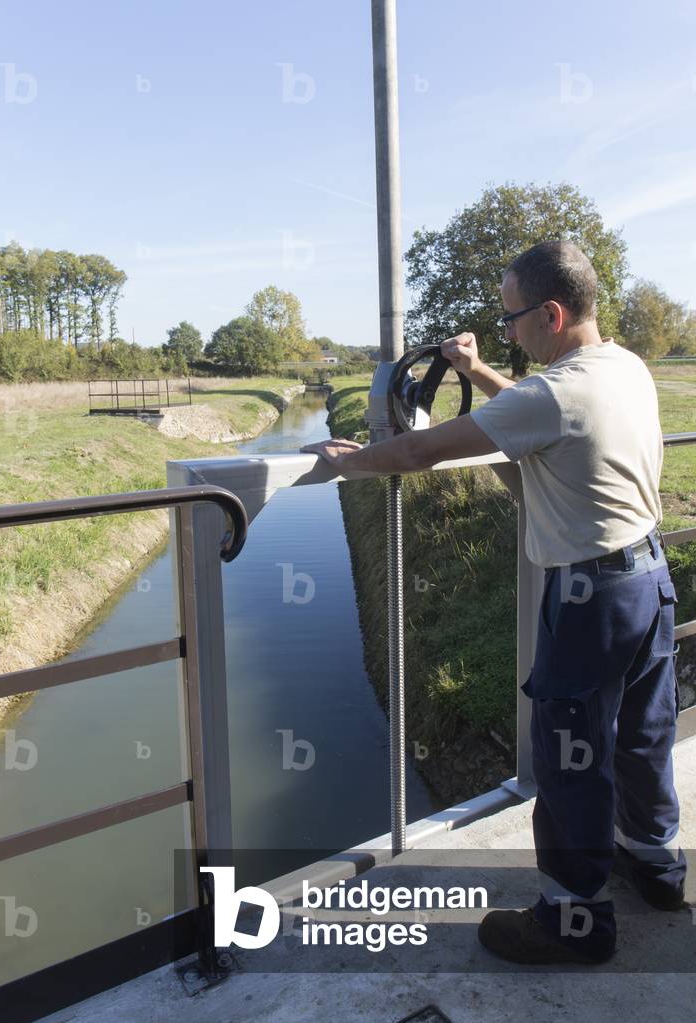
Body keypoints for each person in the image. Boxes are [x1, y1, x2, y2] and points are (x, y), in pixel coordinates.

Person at [300, 239, 686, 965]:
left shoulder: (554, 394)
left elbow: (420, 451)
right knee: (641, 736)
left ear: (551, 313)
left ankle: (574, 922)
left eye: (511, 317)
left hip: (591, 599)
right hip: (647, 580)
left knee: (570, 764)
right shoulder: (622, 366)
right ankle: (657, 870)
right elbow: (533, 412)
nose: (507, 330)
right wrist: (474, 369)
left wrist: (353, 461)